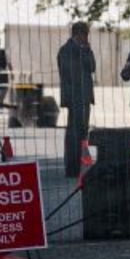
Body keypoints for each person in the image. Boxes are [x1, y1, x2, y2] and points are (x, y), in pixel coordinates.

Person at [58, 22, 97, 178]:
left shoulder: (84, 50)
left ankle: (80, 164)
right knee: (74, 133)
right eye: (85, 35)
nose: (86, 38)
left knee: (82, 132)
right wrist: (82, 52)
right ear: (78, 34)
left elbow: (92, 67)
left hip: (85, 96)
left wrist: (87, 50)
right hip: (74, 97)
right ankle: (72, 167)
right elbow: (71, 73)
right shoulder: (66, 50)